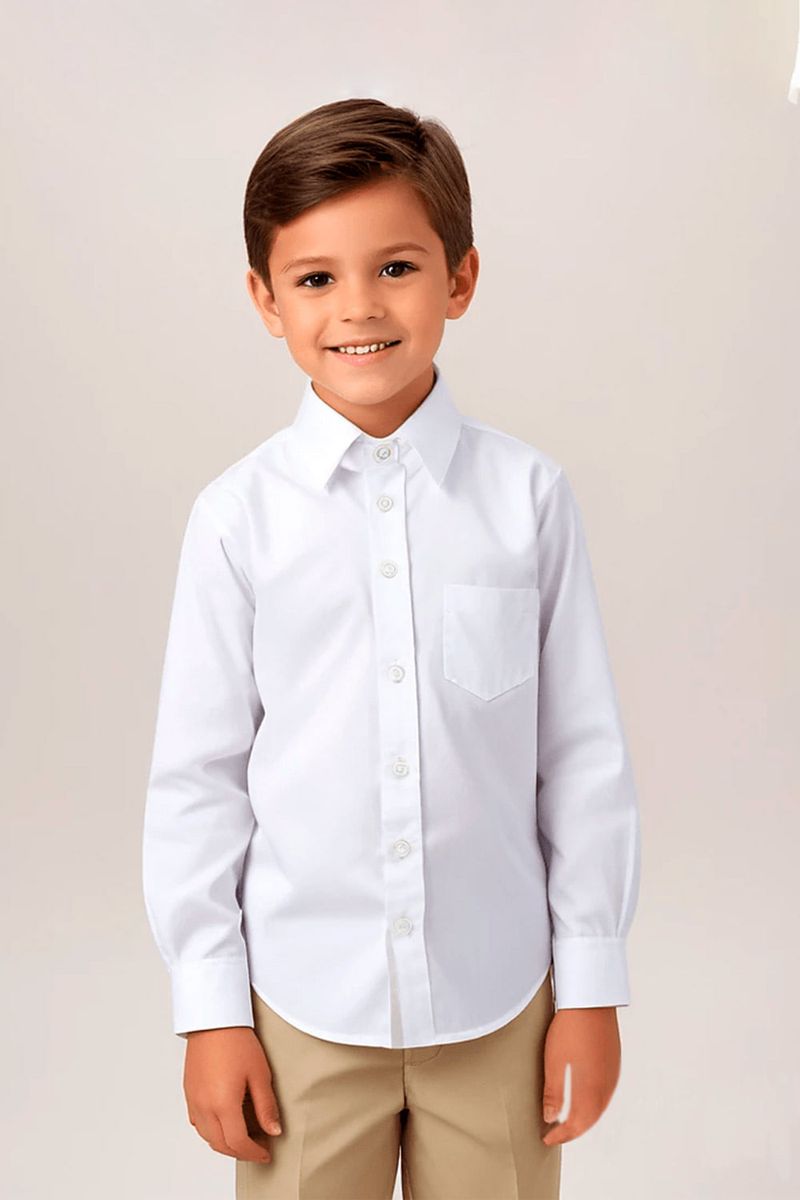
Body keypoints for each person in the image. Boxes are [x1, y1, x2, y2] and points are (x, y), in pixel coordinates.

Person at [142, 96, 641, 1200]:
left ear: (460, 278)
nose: (359, 307)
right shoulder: (236, 521)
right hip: (300, 1007)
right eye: (316, 278)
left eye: (397, 268)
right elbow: (198, 780)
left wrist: (592, 985)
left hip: (499, 999)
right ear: (265, 301)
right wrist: (210, 1009)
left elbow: (581, 758)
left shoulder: (527, 500)